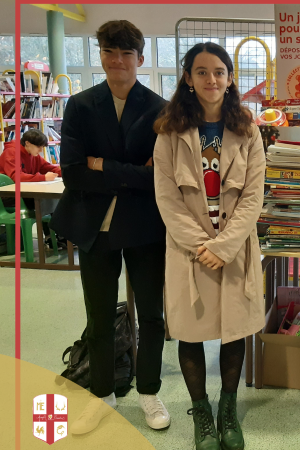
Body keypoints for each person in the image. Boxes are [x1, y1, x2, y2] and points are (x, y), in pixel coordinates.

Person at [50, 20, 170, 434]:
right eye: (108, 52)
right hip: (94, 225)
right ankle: (102, 395)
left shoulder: (159, 109)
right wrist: (131, 172)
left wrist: (103, 166)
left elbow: (160, 177)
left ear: (140, 58)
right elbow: (72, 173)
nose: (117, 60)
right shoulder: (80, 105)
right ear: (100, 54)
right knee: (99, 316)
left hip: (145, 226)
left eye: (125, 53)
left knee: (151, 314)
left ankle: (149, 391)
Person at [153, 42, 265, 450]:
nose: (211, 79)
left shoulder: (248, 129)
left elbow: (253, 196)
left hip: (234, 250)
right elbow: (167, 198)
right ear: (188, 78)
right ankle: (201, 413)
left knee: (234, 330)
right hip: (191, 253)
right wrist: (204, 245)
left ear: (230, 78)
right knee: (191, 331)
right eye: (201, 72)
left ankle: (227, 409)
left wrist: (225, 245)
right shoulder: (169, 132)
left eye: (219, 71)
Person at [0, 129, 64, 247]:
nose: (41, 150)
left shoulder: (32, 154)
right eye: (39, 147)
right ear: (28, 143)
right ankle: (53, 237)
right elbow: (15, 176)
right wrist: (43, 177)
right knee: (44, 200)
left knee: (52, 199)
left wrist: (66, 172)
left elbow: (47, 167)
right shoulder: (12, 153)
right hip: (7, 196)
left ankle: (57, 237)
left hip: (23, 193)